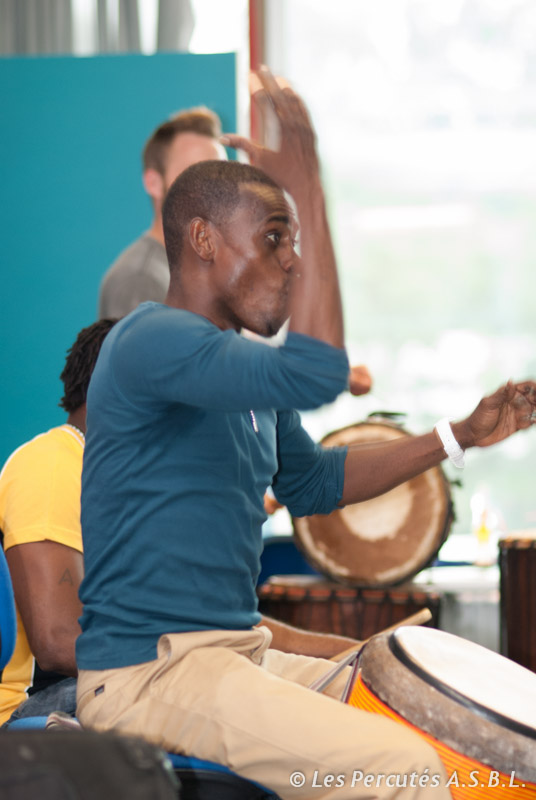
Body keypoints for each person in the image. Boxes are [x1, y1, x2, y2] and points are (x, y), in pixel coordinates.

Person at [76, 69, 536, 799]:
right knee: (400, 768)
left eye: (291, 241)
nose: (292, 262)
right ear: (202, 240)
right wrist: (308, 190)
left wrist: (459, 436)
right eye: (273, 240)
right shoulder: (149, 341)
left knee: (419, 709)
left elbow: (315, 482)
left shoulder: (244, 375)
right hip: (151, 675)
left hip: (240, 657)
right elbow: (316, 370)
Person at [0, 319, 117, 727]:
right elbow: (56, 642)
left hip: (77, 688)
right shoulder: (51, 466)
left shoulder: (107, 479)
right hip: (22, 708)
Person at [98, 106, 227, 319]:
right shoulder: (141, 281)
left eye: (220, 175)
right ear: (154, 183)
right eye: (195, 172)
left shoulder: (196, 275)